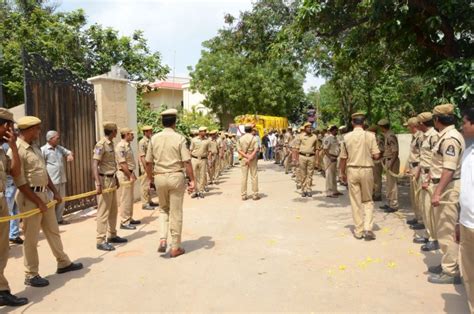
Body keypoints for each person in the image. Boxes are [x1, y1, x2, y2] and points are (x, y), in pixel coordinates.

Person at [10, 116, 83, 287]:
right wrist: (38, 201)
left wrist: (55, 192)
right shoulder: (17, 149)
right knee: (31, 239)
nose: (39, 132)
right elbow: (19, 181)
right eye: (37, 129)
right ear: (28, 130)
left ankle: (63, 262)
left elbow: (44, 173)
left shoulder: (34, 148)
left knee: (53, 230)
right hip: (30, 199)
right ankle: (31, 274)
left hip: (43, 196)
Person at [145, 109, 195, 258]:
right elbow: (187, 161)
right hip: (175, 176)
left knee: (163, 209)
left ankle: (162, 239)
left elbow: (148, 162)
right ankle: (175, 247)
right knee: (176, 212)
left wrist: (150, 179)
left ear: (162, 122)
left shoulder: (154, 139)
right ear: (175, 122)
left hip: (159, 176)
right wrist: (192, 180)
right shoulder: (179, 138)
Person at [427, 104, 465, 285]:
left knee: (447, 230)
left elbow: (449, 169)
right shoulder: (446, 136)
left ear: (437, 120)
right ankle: (446, 264)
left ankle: (451, 270)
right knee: (442, 228)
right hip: (445, 186)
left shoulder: (450, 138)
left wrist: (438, 192)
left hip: (448, 188)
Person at [0, 109, 28, 306]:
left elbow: (15, 172)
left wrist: (13, 148)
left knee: (2, 250)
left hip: (1, 202)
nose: (10, 130)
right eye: (8, 126)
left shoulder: (2, 150)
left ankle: (1, 290)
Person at [339, 112, 381, 240]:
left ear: (352, 123)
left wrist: (342, 173)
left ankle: (358, 230)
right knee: (368, 200)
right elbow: (376, 155)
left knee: (355, 201)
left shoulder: (346, 137)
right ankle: (368, 228)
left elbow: (343, 158)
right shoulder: (371, 136)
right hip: (367, 170)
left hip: (352, 170)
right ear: (364, 123)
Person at [92, 122, 128, 251]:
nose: (117, 132)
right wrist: (98, 183)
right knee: (103, 211)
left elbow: (112, 164)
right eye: (116, 130)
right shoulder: (100, 145)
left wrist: (117, 179)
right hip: (104, 180)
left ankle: (112, 235)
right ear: (113, 132)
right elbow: (95, 164)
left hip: (112, 179)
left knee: (113, 210)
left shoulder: (111, 143)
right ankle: (100, 240)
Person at [416, 112, 440, 250]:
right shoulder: (425, 136)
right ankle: (428, 234)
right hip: (424, 174)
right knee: (425, 208)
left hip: (430, 176)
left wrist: (429, 178)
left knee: (430, 209)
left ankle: (434, 238)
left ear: (422, 124)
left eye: (419, 123)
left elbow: (436, 161)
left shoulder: (433, 136)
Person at [41, 130, 74, 225]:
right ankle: (50, 221)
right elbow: (41, 165)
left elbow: (68, 152)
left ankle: (59, 219)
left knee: (61, 200)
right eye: (57, 138)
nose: (58, 139)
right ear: (50, 139)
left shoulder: (59, 148)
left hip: (61, 179)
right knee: (51, 201)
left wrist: (70, 155)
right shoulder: (43, 150)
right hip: (51, 181)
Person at [460, 107, 474, 311]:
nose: (461, 126)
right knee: (469, 275)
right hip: (467, 222)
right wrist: (458, 220)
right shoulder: (469, 150)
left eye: (464, 122)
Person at [116, 127, 140, 230]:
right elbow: (122, 163)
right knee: (125, 198)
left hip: (129, 173)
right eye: (131, 134)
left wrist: (132, 173)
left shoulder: (127, 145)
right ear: (126, 134)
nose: (133, 136)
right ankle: (124, 221)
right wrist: (130, 175)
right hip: (124, 174)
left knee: (130, 198)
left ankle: (129, 218)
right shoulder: (121, 146)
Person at [404, 118, 425, 231]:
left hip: (418, 167)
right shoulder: (415, 137)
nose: (407, 128)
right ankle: (417, 217)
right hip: (413, 166)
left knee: (419, 196)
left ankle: (422, 220)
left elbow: (423, 155)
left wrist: (417, 170)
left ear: (413, 126)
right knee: (414, 195)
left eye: (408, 126)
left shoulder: (421, 137)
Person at [2, 142, 22, 245]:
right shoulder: (5, 147)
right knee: (7, 213)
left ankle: (13, 235)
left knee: (15, 210)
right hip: (8, 185)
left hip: (14, 184)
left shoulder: (11, 145)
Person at [378, 119, 400, 213]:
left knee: (392, 184)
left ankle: (394, 204)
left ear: (382, 127)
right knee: (388, 184)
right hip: (388, 160)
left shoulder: (391, 136)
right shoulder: (387, 135)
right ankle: (390, 202)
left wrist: (390, 164)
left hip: (392, 161)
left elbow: (395, 152)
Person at [294, 122, 318, 197]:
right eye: (307, 127)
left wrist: (317, 160)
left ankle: (309, 189)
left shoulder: (314, 137)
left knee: (310, 174)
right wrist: (296, 159)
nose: (309, 128)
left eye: (310, 127)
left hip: (311, 157)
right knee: (303, 174)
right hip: (302, 156)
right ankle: (303, 190)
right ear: (305, 128)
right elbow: (297, 149)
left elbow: (317, 149)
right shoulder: (301, 136)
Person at [138, 125, 158, 210]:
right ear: (145, 132)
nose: (151, 132)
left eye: (151, 130)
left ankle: (149, 201)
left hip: (151, 165)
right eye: (149, 131)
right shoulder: (142, 142)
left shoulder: (150, 141)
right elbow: (142, 156)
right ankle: (145, 203)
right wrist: (146, 169)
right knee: (145, 185)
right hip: (145, 166)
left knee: (149, 184)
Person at [237, 124, 259, 201]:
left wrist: (246, 156)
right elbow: (256, 149)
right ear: (251, 130)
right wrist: (250, 157)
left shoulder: (241, 138)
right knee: (254, 176)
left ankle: (243, 195)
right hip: (252, 159)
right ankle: (255, 195)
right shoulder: (254, 138)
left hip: (244, 159)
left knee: (244, 177)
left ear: (244, 130)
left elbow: (239, 150)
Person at [190, 126, 211, 199]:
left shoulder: (208, 141)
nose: (204, 132)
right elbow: (191, 150)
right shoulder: (194, 140)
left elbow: (209, 151)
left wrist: (209, 160)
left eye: (205, 131)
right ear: (199, 132)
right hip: (194, 159)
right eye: (203, 131)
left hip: (203, 159)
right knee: (194, 175)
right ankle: (196, 191)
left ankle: (201, 191)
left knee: (202, 175)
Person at [323, 125, 342, 198]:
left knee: (334, 175)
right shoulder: (329, 138)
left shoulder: (336, 138)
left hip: (335, 157)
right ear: (332, 131)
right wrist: (330, 157)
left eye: (337, 130)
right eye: (335, 130)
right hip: (329, 158)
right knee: (329, 175)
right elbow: (325, 149)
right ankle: (329, 192)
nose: (336, 131)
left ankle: (335, 190)